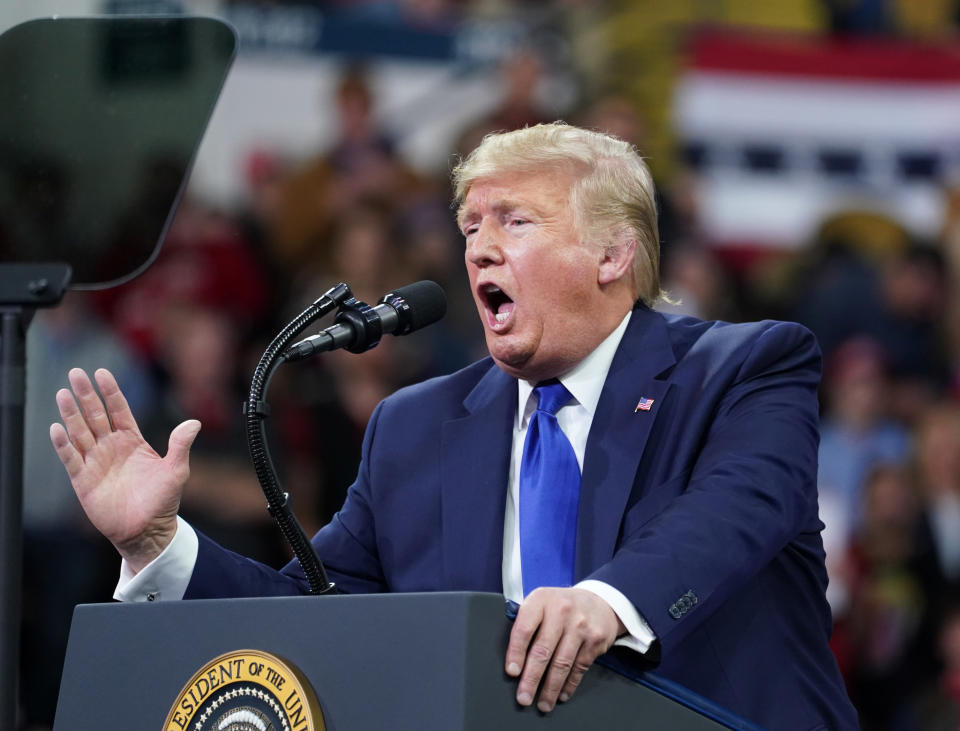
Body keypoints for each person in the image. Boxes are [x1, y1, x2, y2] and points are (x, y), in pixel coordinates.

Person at [50, 123, 858, 729]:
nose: (478, 251)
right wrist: (159, 544)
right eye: (471, 227)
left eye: (514, 221)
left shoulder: (745, 369)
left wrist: (607, 600)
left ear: (613, 253)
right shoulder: (415, 429)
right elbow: (311, 613)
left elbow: (733, 511)